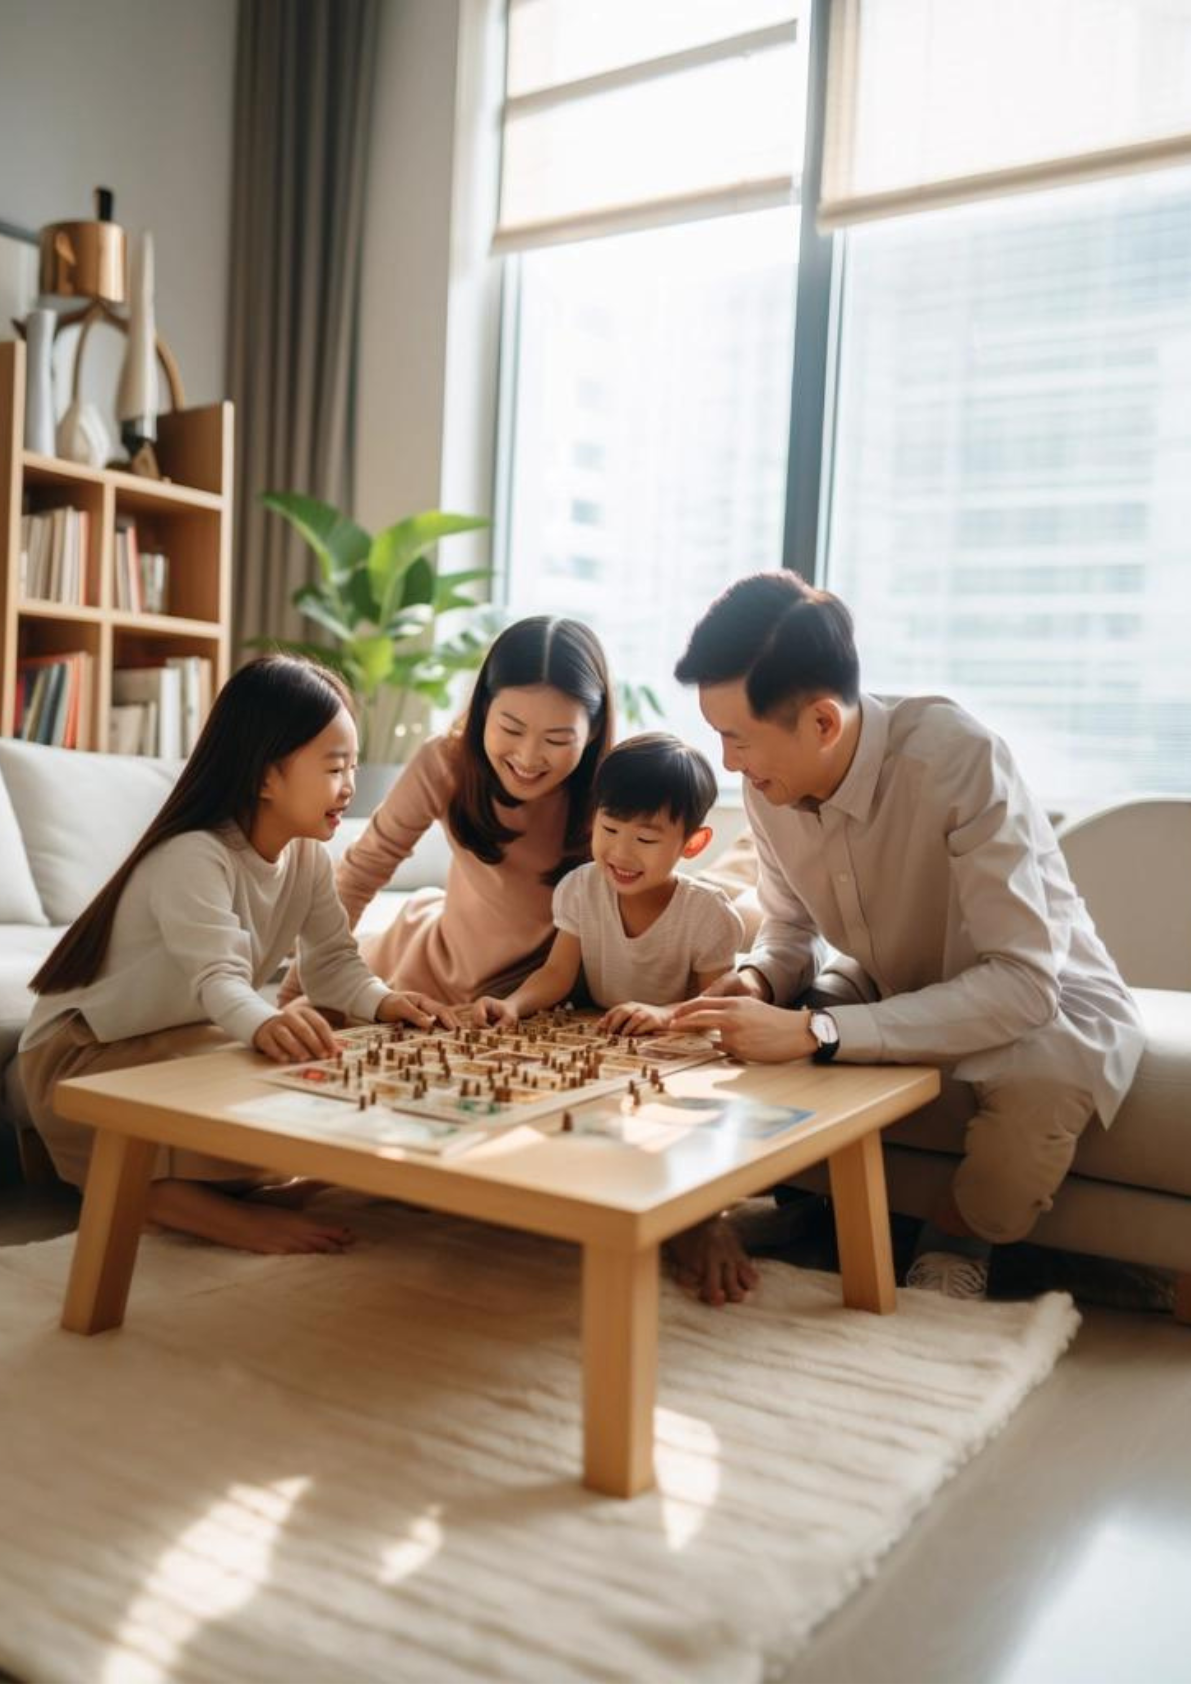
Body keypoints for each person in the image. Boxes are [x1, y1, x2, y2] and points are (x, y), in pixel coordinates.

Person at [668, 570, 1145, 1303]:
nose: (728, 762)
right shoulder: (772, 785)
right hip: (886, 976)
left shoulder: (957, 761)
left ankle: (956, 1234)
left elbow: (1023, 984)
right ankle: (814, 1209)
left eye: (737, 738)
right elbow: (791, 925)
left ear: (822, 723)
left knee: (1044, 1080)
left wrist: (819, 1032)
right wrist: (759, 980)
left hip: (1039, 992)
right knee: (759, 1027)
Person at [20, 655, 457, 1255]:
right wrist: (268, 1023)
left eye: (353, 766)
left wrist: (384, 1002)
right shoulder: (194, 856)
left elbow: (332, 962)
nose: (350, 786)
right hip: (81, 1055)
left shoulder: (306, 858)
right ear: (264, 776)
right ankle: (191, 1206)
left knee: (291, 1077)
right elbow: (218, 978)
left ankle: (229, 1190)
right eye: (334, 768)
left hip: (173, 1036)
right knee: (262, 1070)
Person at [280, 616, 615, 1009]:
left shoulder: (610, 792)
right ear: (484, 708)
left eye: (557, 740)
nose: (528, 757)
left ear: (593, 731)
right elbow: (362, 871)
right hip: (428, 967)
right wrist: (291, 995)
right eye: (511, 729)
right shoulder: (446, 762)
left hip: (533, 996)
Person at [475, 732, 745, 1031]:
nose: (621, 853)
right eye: (610, 829)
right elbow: (556, 973)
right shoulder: (581, 888)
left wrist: (663, 1014)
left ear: (693, 843)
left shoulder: (707, 913)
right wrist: (512, 1004)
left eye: (645, 839)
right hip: (606, 1030)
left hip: (674, 1035)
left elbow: (715, 1002)